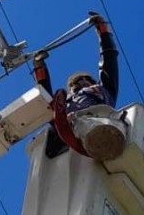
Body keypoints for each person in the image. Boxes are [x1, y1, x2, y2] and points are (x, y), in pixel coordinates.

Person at [33, 12, 125, 161]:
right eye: (75, 83)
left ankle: (99, 138)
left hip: (97, 129)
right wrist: (39, 67)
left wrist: (103, 30)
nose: (81, 82)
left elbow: (109, 60)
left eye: (86, 80)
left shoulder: (105, 91)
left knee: (84, 122)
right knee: (47, 118)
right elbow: (43, 96)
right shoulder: (61, 105)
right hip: (62, 144)